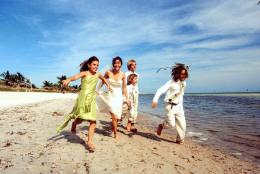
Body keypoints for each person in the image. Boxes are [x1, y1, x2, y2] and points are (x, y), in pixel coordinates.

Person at [56, 56, 111, 151]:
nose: (96, 66)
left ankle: (89, 142)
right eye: (94, 64)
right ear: (89, 65)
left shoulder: (98, 74)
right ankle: (74, 123)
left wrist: (108, 85)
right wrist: (68, 80)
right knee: (81, 119)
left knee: (93, 120)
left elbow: (103, 79)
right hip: (83, 99)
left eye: (97, 65)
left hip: (91, 100)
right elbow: (74, 77)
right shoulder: (84, 73)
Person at [151, 63, 189, 144]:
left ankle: (179, 139)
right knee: (171, 124)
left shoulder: (184, 83)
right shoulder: (171, 82)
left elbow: (181, 95)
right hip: (170, 106)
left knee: (183, 125)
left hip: (179, 107)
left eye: (184, 74)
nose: (183, 76)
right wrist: (155, 100)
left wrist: (180, 106)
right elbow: (160, 90)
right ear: (177, 74)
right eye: (181, 74)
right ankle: (161, 126)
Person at [97, 56, 128, 140]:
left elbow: (124, 88)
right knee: (114, 115)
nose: (117, 64)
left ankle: (113, 126)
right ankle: (115, 134)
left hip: (119, 97)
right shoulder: (108, 73)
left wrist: (127, 98)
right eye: (115, 63)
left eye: (118, 63)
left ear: (121, 64)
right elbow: (103, 80)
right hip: (110, 96)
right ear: (113, 64)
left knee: (118, 116)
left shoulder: (123, 74)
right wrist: (98, 89)